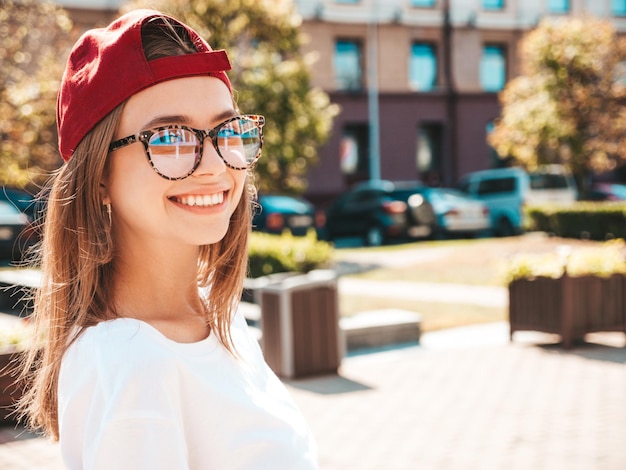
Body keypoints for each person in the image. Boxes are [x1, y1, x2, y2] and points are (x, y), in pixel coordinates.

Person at [16, 9, 318, 469]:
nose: (215, 165)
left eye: (227, 132)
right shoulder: (132, 362)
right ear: (99, 177)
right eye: (171, 139)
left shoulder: (217, 318)